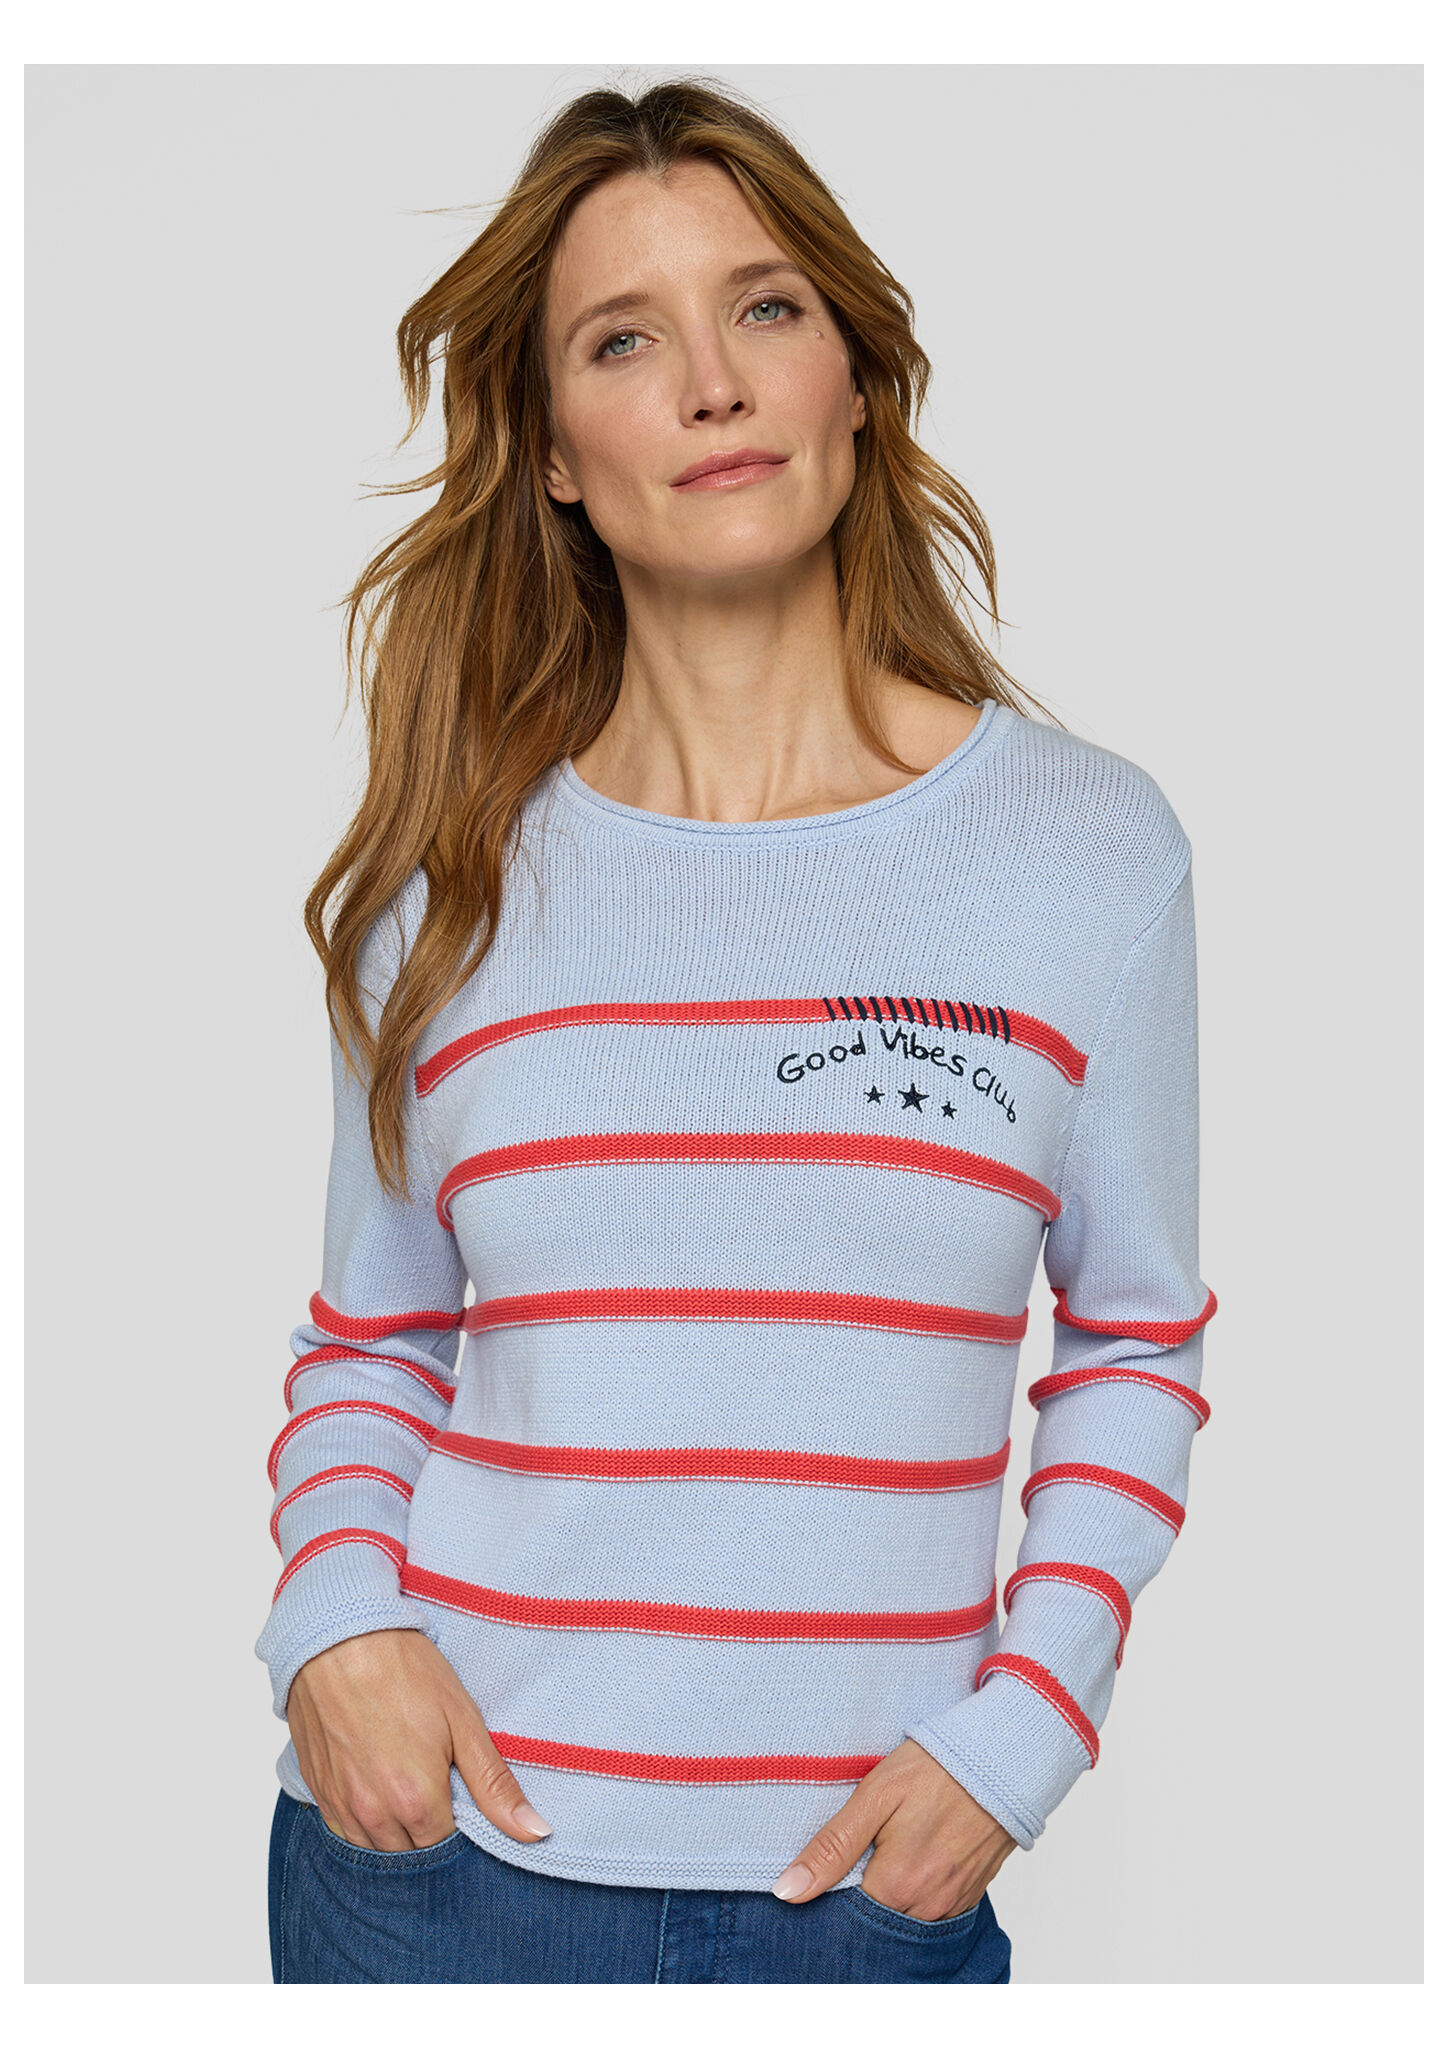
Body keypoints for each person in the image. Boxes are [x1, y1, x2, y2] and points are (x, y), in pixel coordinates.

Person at [258, 76, 1216, 1986]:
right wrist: (336, 1632)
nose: (712, 383)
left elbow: (1136, 1334)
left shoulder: (1086, 856)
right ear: (553, 452)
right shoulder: (445, 881)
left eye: (766, 308)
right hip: (433, 1878)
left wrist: (1025, 1732)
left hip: (856, 1909)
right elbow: (373, 1341)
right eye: (625, 340)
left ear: (854, 380)